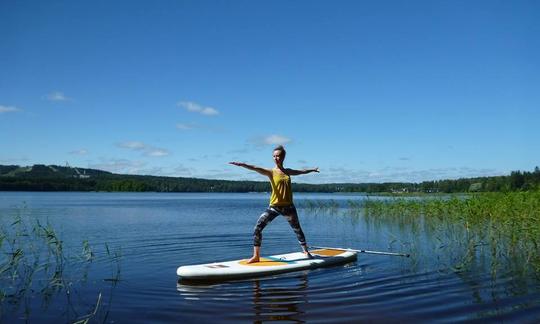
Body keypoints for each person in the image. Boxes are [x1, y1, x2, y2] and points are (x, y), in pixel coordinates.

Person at [229, 145, 320, 263]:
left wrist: (312, 170)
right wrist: (242, 165)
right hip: (274, 207)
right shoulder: (270, 172)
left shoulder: (287, 172)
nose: (276, 158)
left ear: (283, 157)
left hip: (288, 207)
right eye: (274, 156)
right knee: (257, 228)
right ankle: (256, 256)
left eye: (278, 156)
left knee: (297, 229)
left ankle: (306, 251)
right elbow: (255, 167)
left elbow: (301, 171)